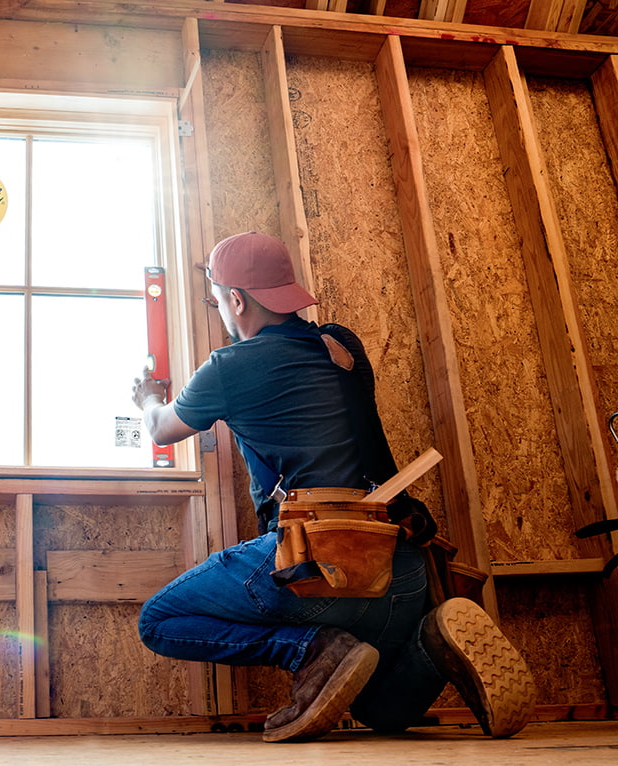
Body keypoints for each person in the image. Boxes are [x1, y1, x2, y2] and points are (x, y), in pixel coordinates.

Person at [131, 231, 536, 743]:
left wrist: (148, 396)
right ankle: (433, 641)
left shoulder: (228, 367)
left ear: (236, 300)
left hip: (314, 566)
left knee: (159, 620)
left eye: (217, 302)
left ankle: (310, 648)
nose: (221, 312)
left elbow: (162, 428)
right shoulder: (342, 345)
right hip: (397, 562)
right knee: (382, 712)